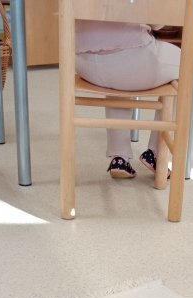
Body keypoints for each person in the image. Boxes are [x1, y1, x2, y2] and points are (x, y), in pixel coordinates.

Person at [75, 21, 179, 179]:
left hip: (84, 63)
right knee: (185, 63)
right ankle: (157, 155)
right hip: (130, 61)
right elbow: (157, 22)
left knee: (118, 81)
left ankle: (119, 158)